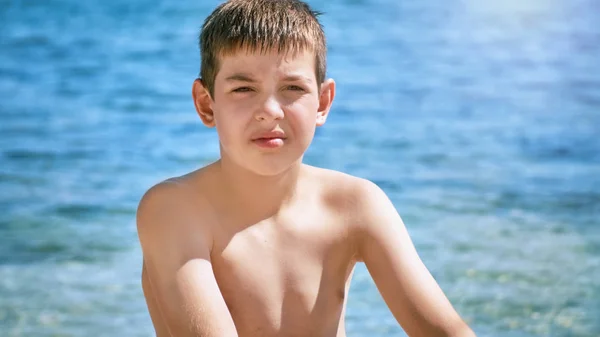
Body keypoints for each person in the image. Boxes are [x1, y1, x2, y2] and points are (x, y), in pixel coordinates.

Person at [136, 0, 477, 336]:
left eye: (292, 88)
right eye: (243, 89)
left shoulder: (354, 205)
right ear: (206, 104)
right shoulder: (174, 210)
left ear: (323, 102)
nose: (270, 110)